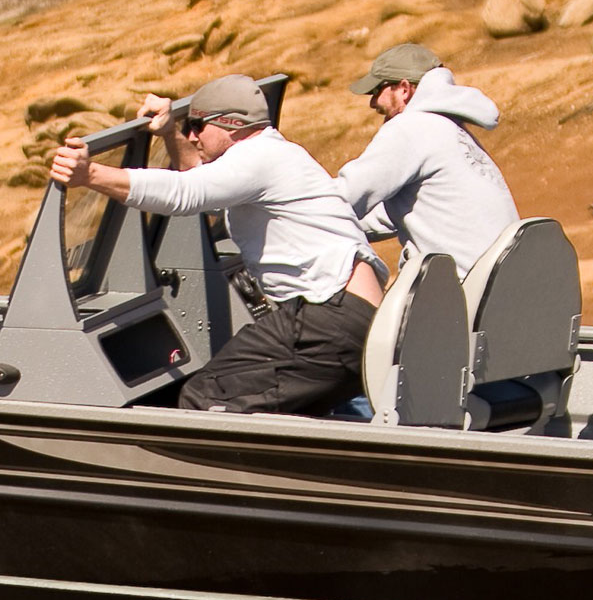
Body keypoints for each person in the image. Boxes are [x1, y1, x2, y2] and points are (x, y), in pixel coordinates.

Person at [48, 74, 384, 416]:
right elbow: (201, 176)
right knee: (285, 411)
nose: (192, 136)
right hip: (357, 319)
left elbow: (186, 193)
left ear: (232, 125)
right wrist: (168, 133)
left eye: (197, 125)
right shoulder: (273, 154)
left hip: (328, 316)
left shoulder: (259, 158)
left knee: (206, 398)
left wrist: (89, 175)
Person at [338, 43, 520, 279]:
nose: (373, 103)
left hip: (467, 289)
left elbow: (345, 195)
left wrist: (293, 211)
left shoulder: (410, 128)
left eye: (376, 91)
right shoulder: (449, 128)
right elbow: (390, 212)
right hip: (503, 282)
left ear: (403, 89)